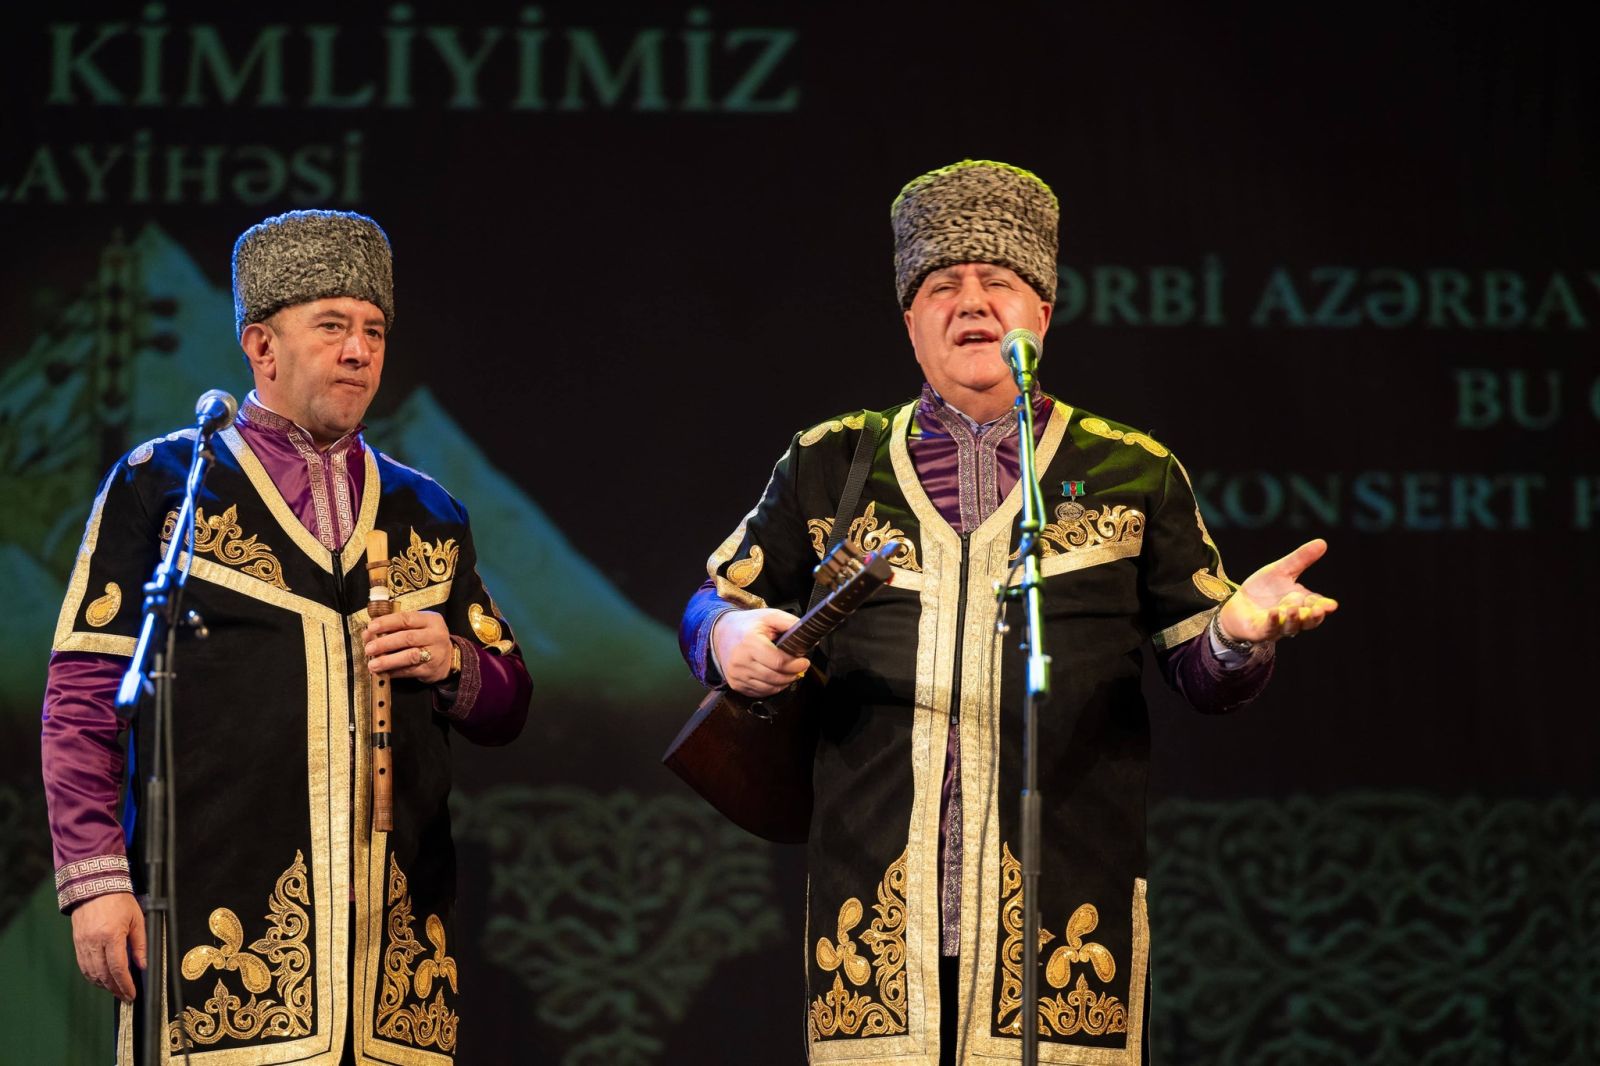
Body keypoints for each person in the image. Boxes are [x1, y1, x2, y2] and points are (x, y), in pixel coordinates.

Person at [678, 160, 1337, 1065]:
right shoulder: (831, 462)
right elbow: (715, 597)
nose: (972, 304)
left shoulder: (1133, 472)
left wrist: (1235, 633)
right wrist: (726, 637)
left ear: (1043, 313)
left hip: (1065, 923)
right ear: (911, 323)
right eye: (942, 287)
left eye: (998, 282)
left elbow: (1203, 672)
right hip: (874, 925)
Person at [41, 209, 532, 1065]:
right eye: (333, 326)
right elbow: (84, 696)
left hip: (391, 963)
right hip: (219, 942)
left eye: (374, 330)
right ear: (261, 347)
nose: (360, 351)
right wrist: (96, 881)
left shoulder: (428, 511)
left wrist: (452, 661)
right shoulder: (166, 487)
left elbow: (509, 699)